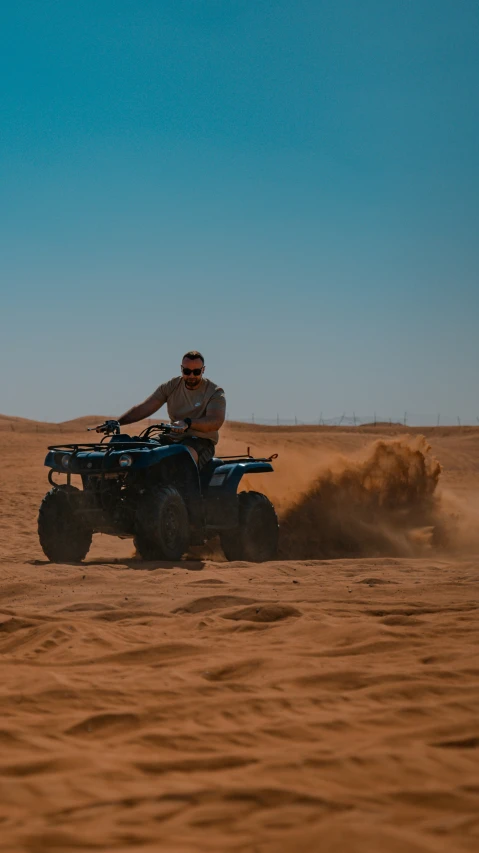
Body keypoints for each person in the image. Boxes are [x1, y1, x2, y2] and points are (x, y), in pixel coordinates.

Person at [99, 351, 225, 468]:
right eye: (187, 371)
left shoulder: (214, 392)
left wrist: (188, 423)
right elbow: (145, 408)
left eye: (196, 372)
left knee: (181, 460)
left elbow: (215, 421)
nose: (191, 375)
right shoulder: (172, 386)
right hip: (171, 438)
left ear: (203, 370)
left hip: (200, 442)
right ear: (181, 369)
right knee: (138, 452)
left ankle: (182, 492)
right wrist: (118, 422)